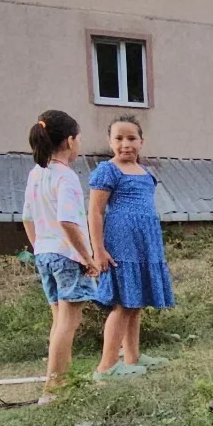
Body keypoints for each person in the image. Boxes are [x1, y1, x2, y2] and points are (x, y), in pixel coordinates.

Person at [88, 115, 175, 380]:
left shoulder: (147, 173)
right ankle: (106, 366)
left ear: (141, 141)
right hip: (121, 244)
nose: (125, 144)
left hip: (144, 245)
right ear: (109, 141)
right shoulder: (107, 170)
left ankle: (132, 357)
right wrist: (98, 250)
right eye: (119, 138)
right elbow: (95, 211)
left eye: (131, 138)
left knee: (135, 303)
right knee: (123, 304)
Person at [22, 110, 96, 405]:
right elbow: (69, 221)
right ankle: (53, 389)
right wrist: (87, 257)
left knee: (58, 321)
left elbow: (27, 218)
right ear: (69, 140)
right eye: (78, 138)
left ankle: (62, 381)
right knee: (69, 322)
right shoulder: (66, 177)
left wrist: (40, 247)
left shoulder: (36, 174)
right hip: (66, 255)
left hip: (44, 253)